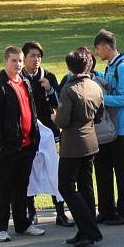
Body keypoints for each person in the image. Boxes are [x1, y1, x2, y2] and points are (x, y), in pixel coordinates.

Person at [0, 46, 45, 242]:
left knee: (22, 187)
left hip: (26, 146)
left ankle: (23, 223)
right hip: (7, 149)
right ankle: (0, 228)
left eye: (20, 61)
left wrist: (34, 140)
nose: (18, 64)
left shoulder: (25, 83)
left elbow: (31, 111)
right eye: (14, 61)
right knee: (2, 188)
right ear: (5, 62)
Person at [20, 41, 74, 228]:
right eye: (32, 56)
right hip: (27, 133)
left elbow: (60, 104)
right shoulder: (19, 79)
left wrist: (50, 90)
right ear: (24, 57)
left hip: (49, 132)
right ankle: (31, 211)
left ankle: (60, 211)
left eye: (39, 56)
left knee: (54, 171)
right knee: (29, 172)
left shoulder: (48, 76)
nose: (36, 60)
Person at [55, 49, 105, 247]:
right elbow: (99, 115)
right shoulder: (95, 86)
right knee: (86, 186)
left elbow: (62, 120)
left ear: (69, 68)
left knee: (66, 186)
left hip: (73, 144)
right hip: (91, 141)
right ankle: (85, 229)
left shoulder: (69, 88)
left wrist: (55, 118)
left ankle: (89, 229)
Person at [93, 29, 124, 226]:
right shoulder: (112, 67)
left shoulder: (123, 67)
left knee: (123, 171)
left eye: (98, 48)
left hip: (121, 129)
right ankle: (107, 210)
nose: (96, 52)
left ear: (107, 47)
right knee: (103, 169)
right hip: (109, 129)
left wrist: (101, 100)